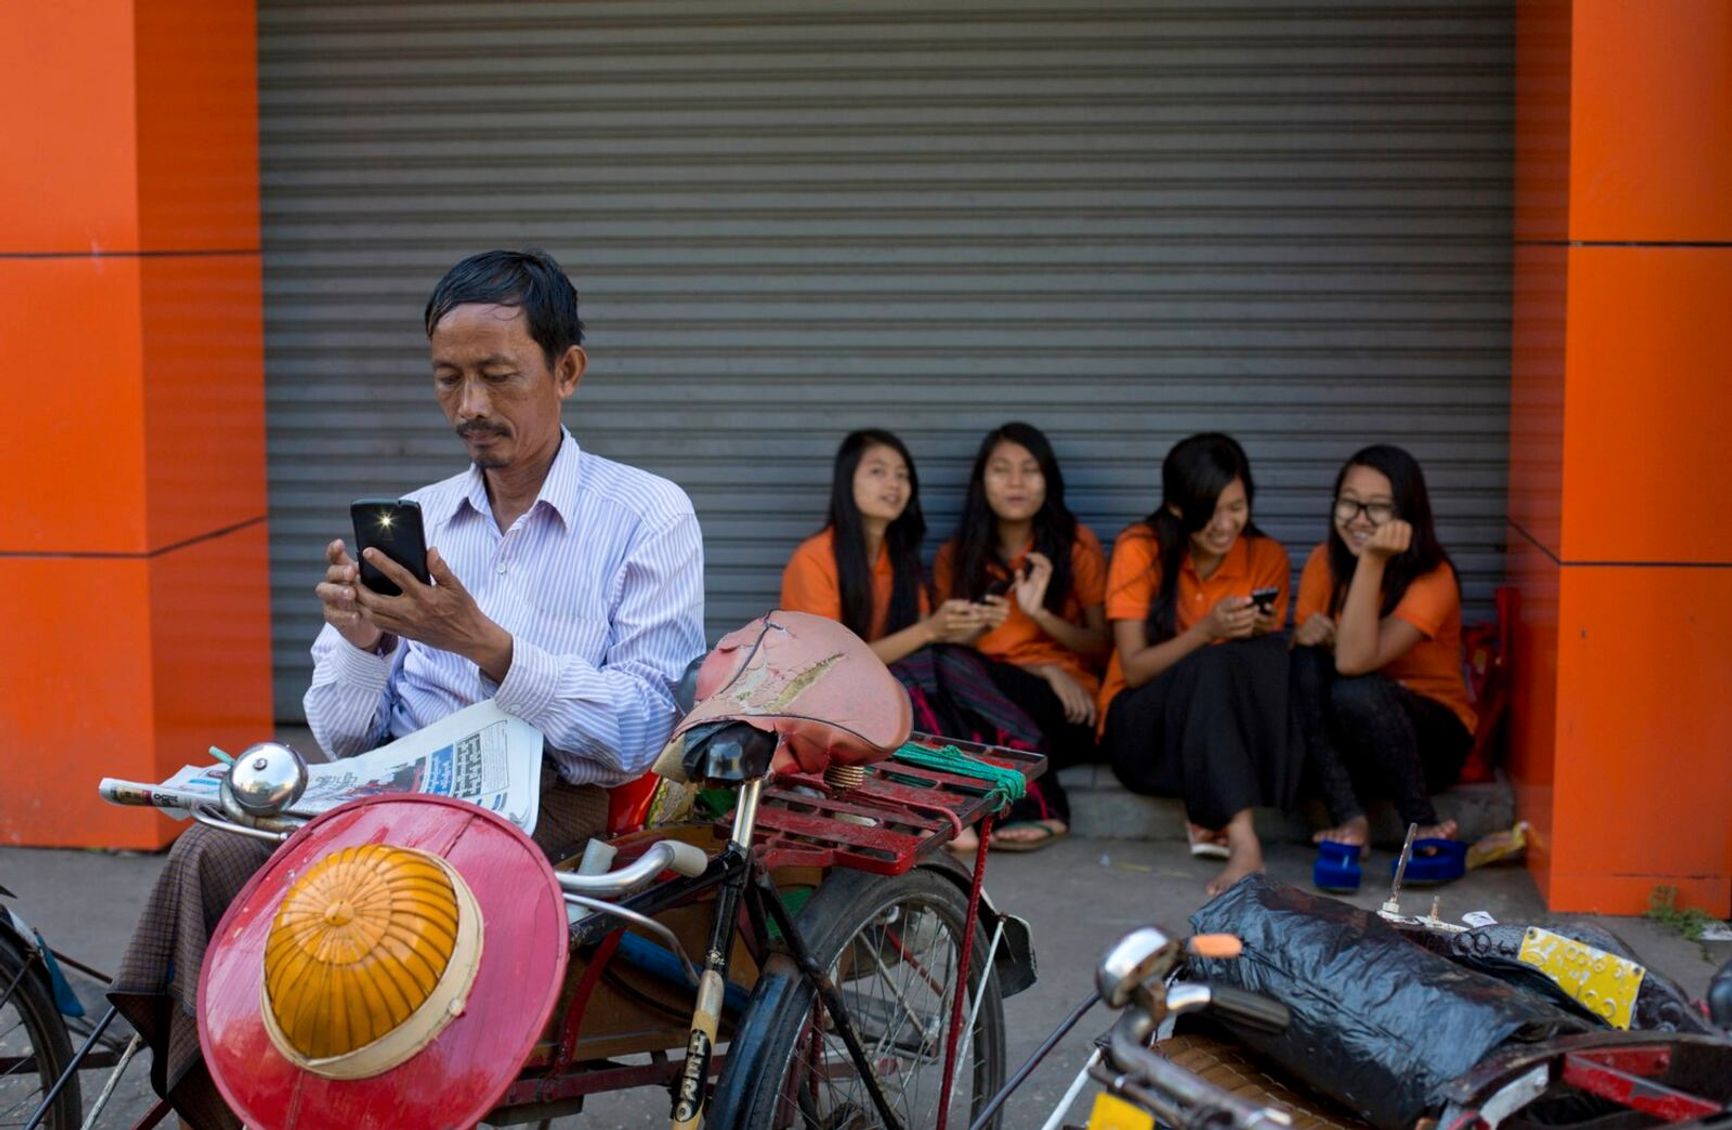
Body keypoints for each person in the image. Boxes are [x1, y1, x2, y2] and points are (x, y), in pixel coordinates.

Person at [109, 249, 706, 1129]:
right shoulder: (420, 516)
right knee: (211, 854)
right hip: (403, 787)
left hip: (557, 796)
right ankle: (235, 1100)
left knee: (383, 891)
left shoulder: (649, 515)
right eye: (448, 380)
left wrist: (489, 648)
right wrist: (363, 644)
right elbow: (350, 739)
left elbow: (639, 727)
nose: (471, 407)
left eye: (499, 377)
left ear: (566, 370)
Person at [1099, 433, 1300, 895]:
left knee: (1261, 656)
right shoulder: (1141, 547)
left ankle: (1235, 818)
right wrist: (1205, 631)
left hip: (1217, 736)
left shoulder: (1266, 556)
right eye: (1209, 510)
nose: (1224, 524)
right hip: (1142, 734)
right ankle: (1244, 841)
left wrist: (1249, 635)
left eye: (1236, 507)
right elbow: (1133, 669)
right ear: (1175, 507)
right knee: (1210, 661)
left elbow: (1259, 683)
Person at [779, 430, 1043, 759]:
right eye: (878, 471)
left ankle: (1014, 754)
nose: (894, 484)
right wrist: (930, 629)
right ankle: (975, 766)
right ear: (847, 481)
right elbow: (829, 669)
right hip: (828, 706)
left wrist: (977, 627)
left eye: (902, 475)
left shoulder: (901, 560)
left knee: (949, 663)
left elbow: (924, 645)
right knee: (917, 675)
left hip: (893, 694)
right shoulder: (815, 559)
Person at [933, 423, 1109, 851]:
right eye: (1001, 470)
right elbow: (949, 652)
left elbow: (1102, 645)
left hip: (1066, 710)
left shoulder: (1076, 545)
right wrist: (1030, 661)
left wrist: (1039, 615)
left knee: (945, 664)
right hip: (989, 702)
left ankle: (1042, 805)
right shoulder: (955, 557)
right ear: (982, 482)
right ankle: (961, 808)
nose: (1015, 482)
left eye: (1029, 470)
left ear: (1048, 480)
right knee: (932, 664)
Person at [1291, 444, 1476, 850]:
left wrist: (1372, 560)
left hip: (1430, 743)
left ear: (1406, 514)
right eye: (1349, 504)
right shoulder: (1323, 562)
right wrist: (1302, 638)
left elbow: (1356, 662)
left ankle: (1420, 823)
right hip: (1353, 749)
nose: (1359, 519)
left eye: (1377, 508)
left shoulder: (1433, 576)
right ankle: (1350, 820)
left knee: (1355, 690)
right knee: (1306, 662)